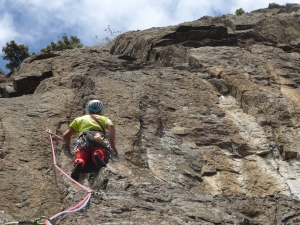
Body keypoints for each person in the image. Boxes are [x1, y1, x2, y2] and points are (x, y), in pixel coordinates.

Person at [63, 100, 118, 181]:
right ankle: (97, 156)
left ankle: (80, 162)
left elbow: (65, 136)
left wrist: (64, 138)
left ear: (88, 110)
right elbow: (111, 126)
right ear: (100, 111)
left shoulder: (79, 119)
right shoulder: (104, 118)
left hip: (84, 138)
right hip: (99, 137)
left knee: (81, 153)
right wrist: (113, 146)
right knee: (99, 149)